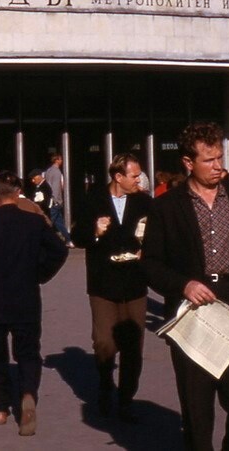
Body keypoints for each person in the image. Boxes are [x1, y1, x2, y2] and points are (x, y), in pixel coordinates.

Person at [142, 122, 229, 451]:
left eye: (220, 157)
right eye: (209, 160)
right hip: (194, 312)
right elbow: (150, 263)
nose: (219, 166)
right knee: (197, 412)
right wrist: (184, 284)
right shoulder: (166, 206)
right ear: (188, 163)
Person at [0, 171, 68, 435]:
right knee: (28, 353)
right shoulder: (34, 223)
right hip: (26, 298)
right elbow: (60, 249)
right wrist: (41, 273)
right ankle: (28, 394)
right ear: (18, 193)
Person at [71, 153, 152, 422]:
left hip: (135, 282)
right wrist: (94, 230)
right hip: (102, 283)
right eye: (134, 175)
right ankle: (106, 383)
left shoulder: (144, 202)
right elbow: (77, 237)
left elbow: (156, 235)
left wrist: (147, 252)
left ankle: (126, 397)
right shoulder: (92, 199)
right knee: (104, 342)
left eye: (139, 174)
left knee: (133, 346)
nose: (138, 179)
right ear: (118, 177)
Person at [44, 153, 71, 243]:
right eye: (60, 159)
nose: (61, 161)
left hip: (50, 199)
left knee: (59, 223)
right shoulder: (57, 172)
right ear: (57, 160)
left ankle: (68, 239)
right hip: (55, 201)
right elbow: (56, 187)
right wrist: (56, 200)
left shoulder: (48, 171)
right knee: (49, 222)